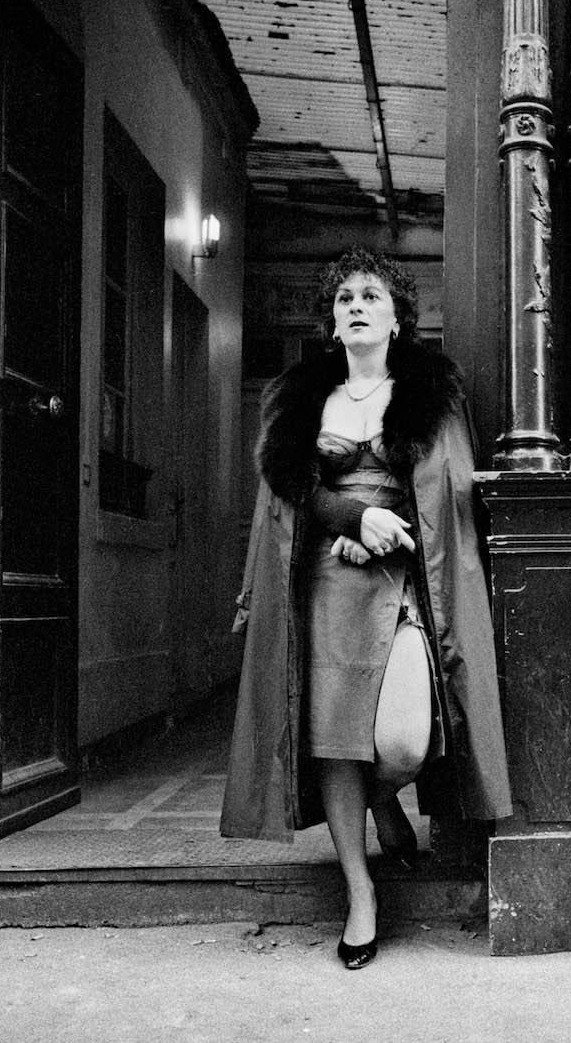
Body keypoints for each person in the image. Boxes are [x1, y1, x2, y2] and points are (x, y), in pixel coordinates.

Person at [221, 247, 512, 970]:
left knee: (404, 743)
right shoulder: (299, 398)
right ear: (332, 320)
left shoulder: (432, 393)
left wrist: (385, 533)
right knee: (333, 741)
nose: (356, 305)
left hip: (402, 582)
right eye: (344, 296)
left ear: (397, 318)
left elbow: (449, 501)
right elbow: (289, 491)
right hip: (321, 586)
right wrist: (350, 519)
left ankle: (384, 800)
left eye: (371, 295)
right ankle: (360, 891)